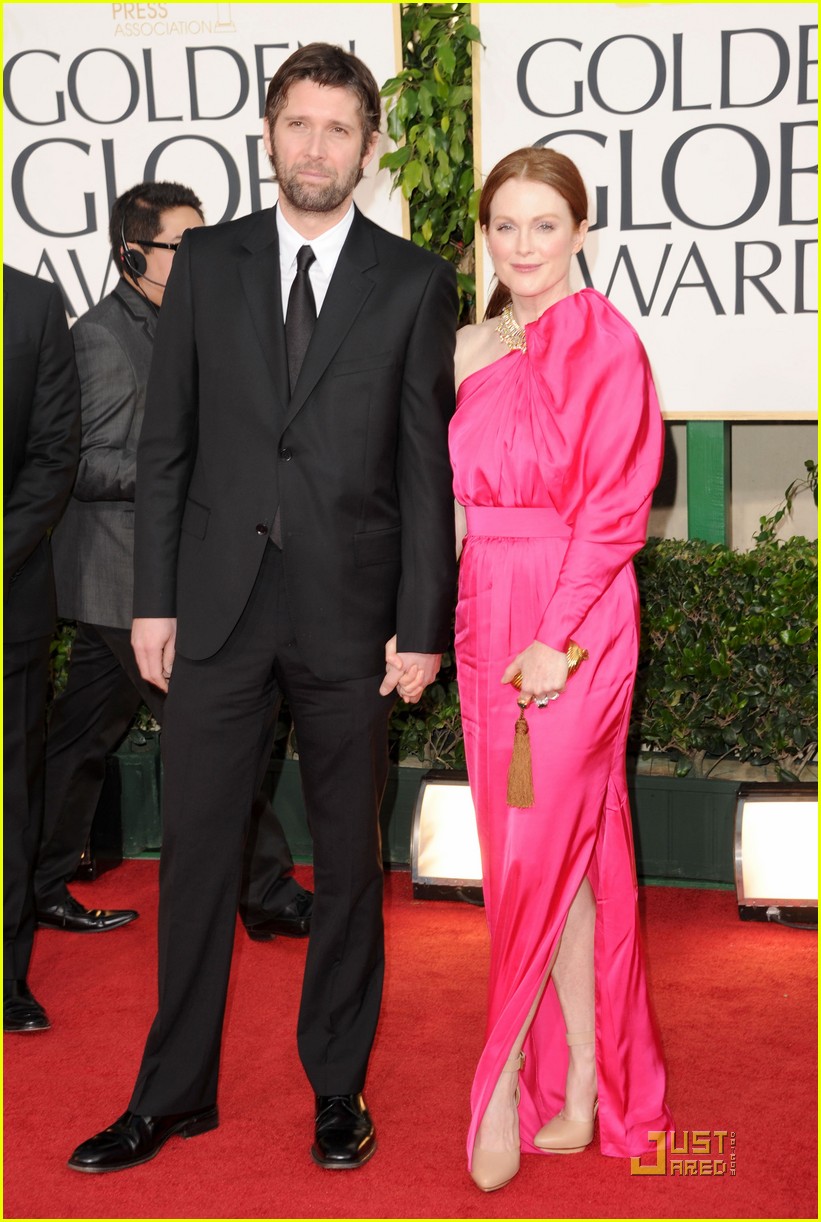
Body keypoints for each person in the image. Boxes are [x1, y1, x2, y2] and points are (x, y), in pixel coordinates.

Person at [68, 43, 457, 1174]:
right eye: (299, 124)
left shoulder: (413, 280)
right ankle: (170, 1091)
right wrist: (152, 601)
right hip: (217, 610)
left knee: (345, 856)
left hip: (349, 614)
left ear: (369, 148)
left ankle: (337, 1088)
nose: (317, 147)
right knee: (194, 855)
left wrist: (422, 618)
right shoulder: (210, 262)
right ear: (270, 133)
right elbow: (166, 443)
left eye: (340, 129)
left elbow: (423, 466)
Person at [449, 147, 673, 1192]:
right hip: (482, 607)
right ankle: (581, 1075)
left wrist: (555, 636)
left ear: (579, 232)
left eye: (544, 225)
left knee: (544, 852)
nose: (523, 245)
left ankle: (496, 1083)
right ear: (483, 235)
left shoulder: (607, 344)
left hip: (571, 618)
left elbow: (616, 510)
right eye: (505, 225)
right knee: (541, 859)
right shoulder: (466, 349)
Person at [35, 182, 312, 941]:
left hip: (141, 581)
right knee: (215, 732)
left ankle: (37, 880)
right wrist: (186, 469)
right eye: (180, 247)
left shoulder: (189, 324)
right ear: (131, 256)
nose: (201, 259)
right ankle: (264, 892)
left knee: (81, 738)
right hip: (118, 578)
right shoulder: (101, 338)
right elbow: (81, 465)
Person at [4, 266, 80, 1031]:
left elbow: (53, 454)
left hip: (8, 597)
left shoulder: (29, 303)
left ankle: (4, 976)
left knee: (8, 802)